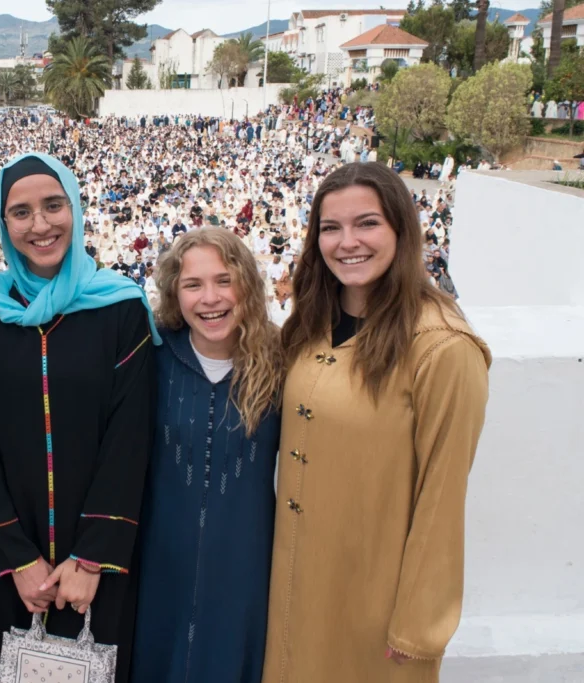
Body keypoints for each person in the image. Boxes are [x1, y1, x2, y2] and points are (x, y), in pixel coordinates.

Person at [262, 162, 491, 683]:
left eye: (367, 223)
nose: (348, 243)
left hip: (374, 604)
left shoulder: (442, 348)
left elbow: (443, 493)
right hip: (294, 585)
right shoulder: (310, 323)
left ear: (401, 230)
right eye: (330, 227)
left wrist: (418, 626)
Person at [0, 153, 160, 683]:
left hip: (96, 567)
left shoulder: (120, 308)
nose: (40, 225)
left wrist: (92, 558)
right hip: (12, 566)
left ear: (77, 207)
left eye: (53, 206)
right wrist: (16, 558)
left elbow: (129, 438)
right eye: (20, 212)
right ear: (2, 224)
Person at [132, 228, 283, 683]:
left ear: (247, 286)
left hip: (246, 569)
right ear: (173, 293)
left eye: (224, 280)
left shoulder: (283, 360)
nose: (210, 298)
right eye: (193, 284)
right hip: (159, 567)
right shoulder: (151, 357)